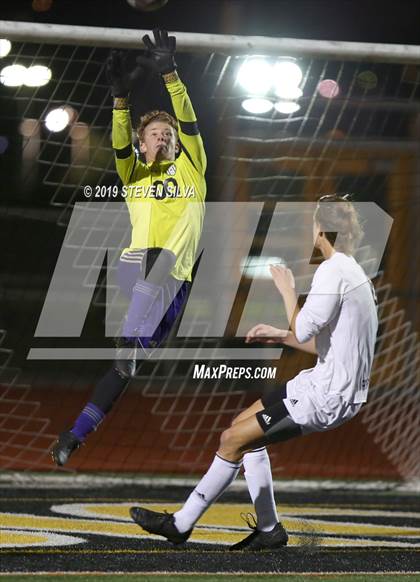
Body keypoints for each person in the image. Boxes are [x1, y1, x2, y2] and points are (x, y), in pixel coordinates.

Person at [130, 194, 378, 551]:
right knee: (239, 430)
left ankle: (181, 523)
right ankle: (268, 529)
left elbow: (306, 328)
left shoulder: (333, 269)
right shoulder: (356, 273)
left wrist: (287, 290)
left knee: (232, 441)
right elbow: (327, 345)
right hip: (323, 384)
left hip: (326, 397)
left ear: (320, 229)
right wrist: (280, 333)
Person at [52, 29, 206, 466]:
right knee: (159, 259)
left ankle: (74, 434)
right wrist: (121, 101)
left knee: (125, 368)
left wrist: (170, 75)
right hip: (138, 270)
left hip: (173, 288)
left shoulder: (193, 169)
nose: (161, 137)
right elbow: (120, 143)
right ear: (142, 145)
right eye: (153, 133)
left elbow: (191, 124)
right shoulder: (134, 175)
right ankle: (130, 331)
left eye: (166, 133)